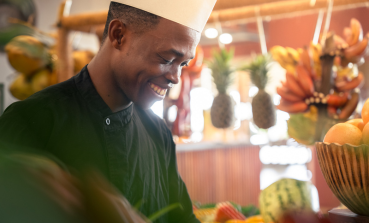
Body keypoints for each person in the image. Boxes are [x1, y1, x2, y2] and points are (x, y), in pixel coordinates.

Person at [0, 0, 216, 222]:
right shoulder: (30, 120)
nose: (175, 77)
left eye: (182, 64)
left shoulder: (158, 134)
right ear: (118, 35)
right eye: (166, 59)